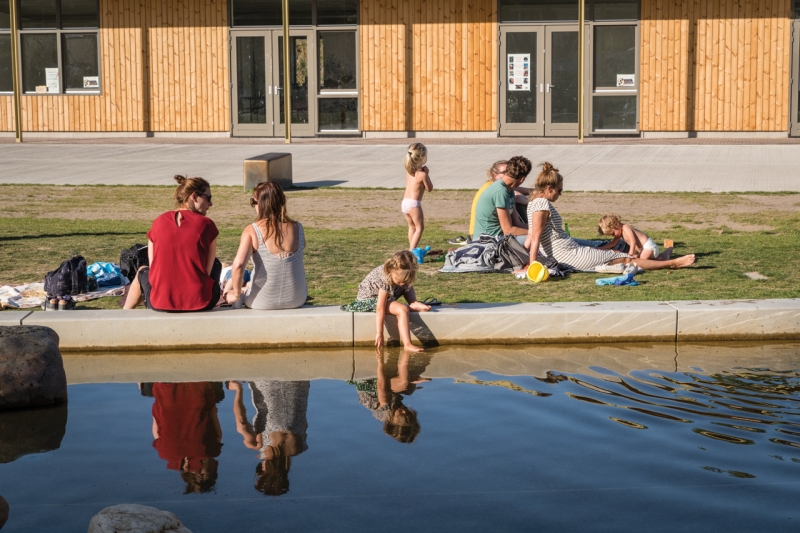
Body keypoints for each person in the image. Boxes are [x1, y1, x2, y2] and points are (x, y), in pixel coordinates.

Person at [524, 162, 695, 272]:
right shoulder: (542, 204)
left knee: (614, 253)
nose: (560, 194)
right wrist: (532, 264)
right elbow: (536, 236)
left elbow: (530, 237)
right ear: (548, 189)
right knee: (626, 259)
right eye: (559, 190)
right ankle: (671, 263)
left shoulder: (533, 203)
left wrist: (526, 257)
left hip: (568, 251)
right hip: (569, 255)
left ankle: (662, 257)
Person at [124, 175, 221, 311]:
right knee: (216, 264)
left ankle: (126, 312)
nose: (210, 204)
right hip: (200, 301)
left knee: (142, 271)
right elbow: (207, 270)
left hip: (159, 302)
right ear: (194, 197)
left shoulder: (158, 222)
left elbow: (154, 268)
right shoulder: (207, 225)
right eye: (208, 198)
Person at [224, 182, 308, 310]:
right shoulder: (298, 227)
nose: (253, 206)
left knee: (232, 289)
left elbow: (238, 265)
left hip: (262, 301)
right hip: (297, 298)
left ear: (261, 204)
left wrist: (236, 294)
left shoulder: (252, 230)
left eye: (253, 202)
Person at [227, 380, 309, 496]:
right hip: (265, 379)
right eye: (260, 469)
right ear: (265, 470)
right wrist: (238, 390)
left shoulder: (301, 446)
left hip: (298, 380)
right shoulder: (258, 445)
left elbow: (304, 424)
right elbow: (241, 424)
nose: (260, 465)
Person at [347, 251, 431, 353]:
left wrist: (403, 283)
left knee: (405, 285)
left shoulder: (399, 273)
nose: (402, 283)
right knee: (402, 309)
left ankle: (413, 302)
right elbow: (380, 308)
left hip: (388, 294)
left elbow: (403, 282)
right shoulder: (385, 278)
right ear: (391, 270)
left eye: (405, 280)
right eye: (399, 280)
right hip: (369, 300)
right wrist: (380, 333)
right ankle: (407, 344)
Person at [150, 382, 223, 494]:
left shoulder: (211, 451)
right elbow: (156, 423)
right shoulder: (165, 454)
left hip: (198, 391)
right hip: (166, 391)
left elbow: (214, 417)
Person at [348, 351, 429, 443]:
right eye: (408, 414)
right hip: (383, 390)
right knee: (409, 390)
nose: (404, 410)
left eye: (402, 414)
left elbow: (381, 385)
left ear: (392, 421)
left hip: (368, 384)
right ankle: (408, 373)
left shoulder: (385, 410)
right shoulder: (395, 413)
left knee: (404, 383)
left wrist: (380, 361)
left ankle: (407, 354)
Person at [472, 155, 532, 245]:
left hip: (500, 238)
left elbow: (518, 224)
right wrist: (535, 232)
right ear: (522, 179)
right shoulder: (500, 192)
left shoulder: (509, 189)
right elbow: (508, 230)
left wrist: (541, 228)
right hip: (488, 243)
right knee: (536, 238)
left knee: (540, 235)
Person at [597, 214, 672, 261]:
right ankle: (659, 257)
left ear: (616, 224)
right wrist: (602, 248)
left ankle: (664, 254)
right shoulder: (619, 233)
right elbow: (613, 243)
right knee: (639, 258)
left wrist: (630, 253)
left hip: (648, 247)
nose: (614, 235)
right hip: (642, 250)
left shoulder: (626, 228)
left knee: (642, 259)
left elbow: (633, 241)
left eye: (613, 233)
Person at [401, 143, 434, 250]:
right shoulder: (422, 174)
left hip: (405, 202)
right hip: (414, 204)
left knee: (412, 227)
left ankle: (413, 248)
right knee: (419, 228)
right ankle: (411, 252)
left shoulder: (409, 171)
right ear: (423, 157)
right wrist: (427, 174)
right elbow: (429, 188)